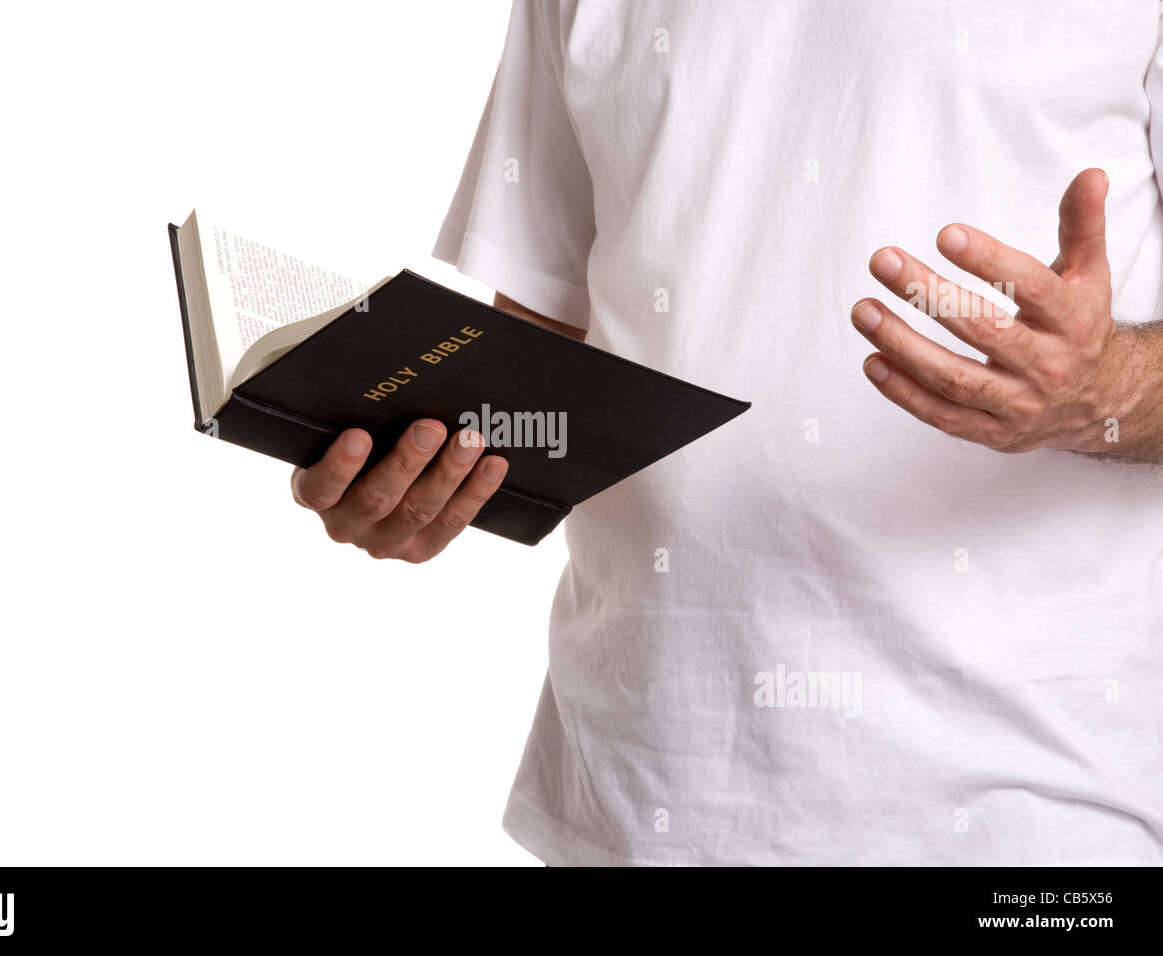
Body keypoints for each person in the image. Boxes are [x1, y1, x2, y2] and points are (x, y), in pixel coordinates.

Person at [290, 1, 1163, 865]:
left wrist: (1106, 387)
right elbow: (541, 340)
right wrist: (422, 478)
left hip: (1035, 817)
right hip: (640, 798)